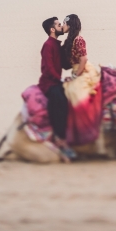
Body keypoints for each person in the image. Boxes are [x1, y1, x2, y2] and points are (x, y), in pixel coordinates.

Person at [61, 14, 103, 145]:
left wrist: (76, 75)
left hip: (84, 71)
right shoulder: (69, 40)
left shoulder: (78, 39)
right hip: (77, 71)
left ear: (70, 25)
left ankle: (87, 130)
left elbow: (83, 59)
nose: (63, 26)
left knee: (76, 93)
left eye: (65, 23)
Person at [39, 17, 74, 158]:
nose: (61, 26)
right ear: (52, 29)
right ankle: (60, 140)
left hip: (56, 81)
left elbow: (65, 65)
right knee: (61, 101)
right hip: (49, 83)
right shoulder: (48, 45)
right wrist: (59, 80)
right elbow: (48, 69)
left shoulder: (57, 45)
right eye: (59, 25)